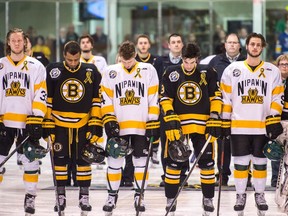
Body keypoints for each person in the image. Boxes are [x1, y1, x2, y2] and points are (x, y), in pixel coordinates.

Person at [220, 32, 284, 215]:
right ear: (246, 46)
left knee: (260, 162)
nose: (255, 47)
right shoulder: (233, 69)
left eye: (258, 45)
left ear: (262, 48)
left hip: (261, 127)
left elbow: (277, 97)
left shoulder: (272, 71)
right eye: (252, 44)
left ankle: (260, 194)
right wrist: (224, 122)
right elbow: (226, 98)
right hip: (238, 126)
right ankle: (240, 195)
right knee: (240, 163)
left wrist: (273, 119)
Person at [160, 42, 222, 215]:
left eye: (192, 61)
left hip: (203, 125)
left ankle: (208, 198)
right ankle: (171, 199)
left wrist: (215, 115)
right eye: (186, 61)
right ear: (182, 58)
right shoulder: (171, 72)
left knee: (207, 164)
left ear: (197, 59)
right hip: (178, 125)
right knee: (173, 164)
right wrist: (170, 115)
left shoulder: (208, 72)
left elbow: (216, 96)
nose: (188, 65)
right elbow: (164, 97)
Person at [101, 41, 159, 214]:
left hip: (141, 126)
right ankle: (112, 196)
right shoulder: (111, 72)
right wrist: (109, 120)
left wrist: (153, 121)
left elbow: (153, 97)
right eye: (124, 61)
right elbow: (106, 98)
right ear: (119, 57)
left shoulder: (148, 70)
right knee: (114, 162)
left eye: (130, 61)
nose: (127, 64)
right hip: (119, 127)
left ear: (135, 56)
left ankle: (139, 195)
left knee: (141, 163)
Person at [44, 41, 102, 214]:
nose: (73, 63)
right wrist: (47, 124)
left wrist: (95, 124)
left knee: (84, 160)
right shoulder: (53, 70)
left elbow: (96, 100)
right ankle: (60, 196)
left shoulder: (90, 70)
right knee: (60, 162)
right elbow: (47, 99)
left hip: (83, 124)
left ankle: (84, 196)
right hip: (59, 124)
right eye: (70, 60)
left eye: (76, 60)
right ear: (64, 56)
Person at [0, 27, 47, 215]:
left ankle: (30, 197)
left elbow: (41, 93)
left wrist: (37, 118)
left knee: (31, 162)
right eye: (14, 40)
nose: (17, 43)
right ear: (8, 43)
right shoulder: (1, 65)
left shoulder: (36, 66)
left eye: (20, 40)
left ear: (25, 43)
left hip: (28, 122)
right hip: (4, 122)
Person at [209, 33, 246, 186]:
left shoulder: (246, 61)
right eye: (229, 42)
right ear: (225, 45)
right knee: (222, 143)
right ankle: (223, 174)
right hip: (221, 109)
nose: (232, 45)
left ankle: (246, 176)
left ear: (239, 45)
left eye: (235, 42)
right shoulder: (215, 61)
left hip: (242, 109)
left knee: (243, 143)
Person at [155, 33, 185, 187]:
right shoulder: (160, 61)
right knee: (166, 143)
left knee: (182, 143)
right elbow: (155, 83)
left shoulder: (187, 61)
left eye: (179, 42)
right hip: (166, 109)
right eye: (173, 42)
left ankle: (182, 174)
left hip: (183, 108)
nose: (176, 44)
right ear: (168, 44)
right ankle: (166, 173)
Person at [135, 34, 160, 165]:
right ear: (137, 45)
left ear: (149, 45)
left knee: (154, 124)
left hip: (152, 97)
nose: (143, 45)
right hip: (137, 100)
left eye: (145, 43)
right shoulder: (132, 60)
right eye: (141, 43)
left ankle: (154, 147)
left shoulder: (157, 60)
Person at [271, 54, 288, 187]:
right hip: (276, 120)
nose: (284, 67)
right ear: (277, 66)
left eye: (287, 64)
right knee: (276, 150)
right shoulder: (272, 80)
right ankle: (275, 179)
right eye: (282, 64)